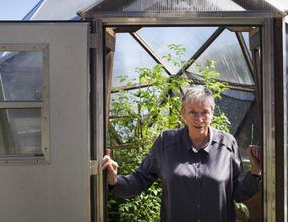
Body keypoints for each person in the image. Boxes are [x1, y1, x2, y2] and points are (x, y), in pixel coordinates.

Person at [101, 85, 262, 222]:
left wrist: (255, 172)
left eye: (204, 112)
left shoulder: (227, 144)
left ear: (212, 114)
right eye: (192, 112)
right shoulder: (166, 143)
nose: (199, 119)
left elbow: (237, 193)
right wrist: (115, 181)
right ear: (183, 113)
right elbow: (140, 180)